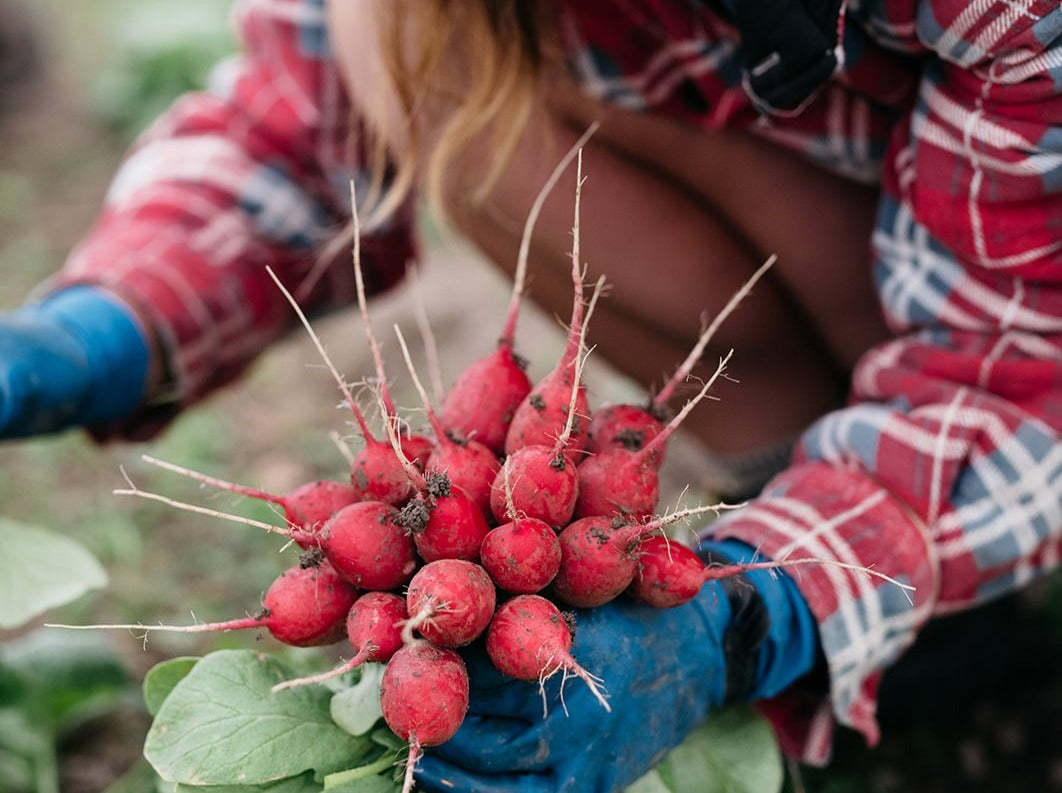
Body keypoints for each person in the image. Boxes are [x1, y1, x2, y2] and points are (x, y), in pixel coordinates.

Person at [1, 0, 1059, 790]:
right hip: (839, 225)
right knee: (399, 36)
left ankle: (885, 562)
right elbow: (298, 117)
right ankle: (798, 479)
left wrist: (749, 618)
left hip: (987, 270)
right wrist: (109, 320)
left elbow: (1032, 365)